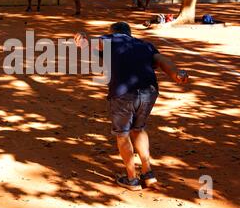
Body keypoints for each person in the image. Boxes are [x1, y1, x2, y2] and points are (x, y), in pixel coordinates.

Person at [74, 22, 189, 191]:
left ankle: (132, 179)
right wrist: (176, 74)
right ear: (130, 34)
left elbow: (89, 42)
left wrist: (82, 37)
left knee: (123, 134)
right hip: (149, 91)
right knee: (139, 129)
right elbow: (162, 60)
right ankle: (148, 174)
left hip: (124, 93)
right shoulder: (145, 45)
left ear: (113, 33)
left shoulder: (112, 39)